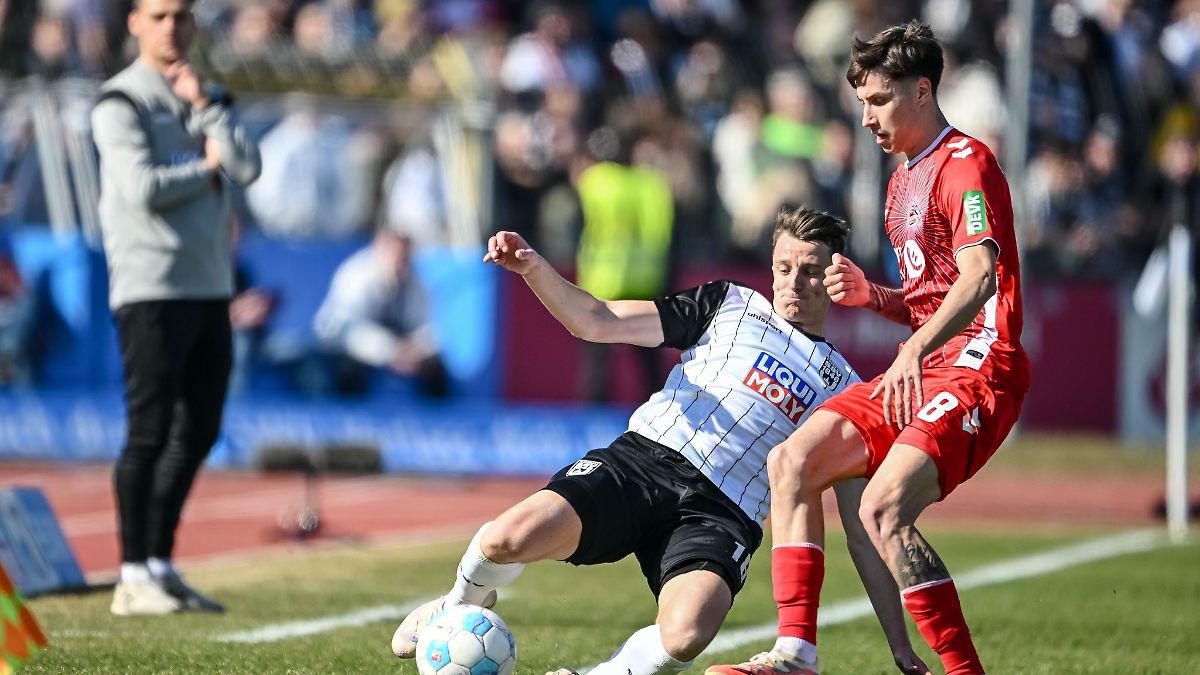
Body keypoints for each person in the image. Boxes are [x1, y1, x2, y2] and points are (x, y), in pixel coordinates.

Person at [390, 207, 931, 675]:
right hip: (642, 463)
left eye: (811, 271)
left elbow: (863, 529)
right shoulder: (729, 305)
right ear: (771, 266)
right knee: (505, 540)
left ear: (835, 277)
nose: (794, 283)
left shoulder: (845, 388)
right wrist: (533, 266)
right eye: (785, 268)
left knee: (687, 633)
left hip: (723, 514)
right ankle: (455, 605)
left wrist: (899, 643)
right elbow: (597, 320)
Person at [708, 21, 1029, 675]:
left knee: (882, 508)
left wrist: (911, 349)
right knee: (792, 461)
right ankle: (795, 655)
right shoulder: (900, 181)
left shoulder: (966, 163)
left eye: (878, 100)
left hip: (980, 364)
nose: (866, 119)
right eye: (861, 103)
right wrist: (874, 297)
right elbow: (929, 300)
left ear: (922, 91)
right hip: (929, 363)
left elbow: (978, 279)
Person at [91, 0, 261, 616]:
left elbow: (248, 168)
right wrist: (207, 166)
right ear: (134, 22)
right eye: (159, 15)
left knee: (201, 429)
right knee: (149, 430)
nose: (172, 27)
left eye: (182, 15)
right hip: (152, 285)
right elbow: (142, 190)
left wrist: (206, 107)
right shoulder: (120, 101)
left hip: (210, 285)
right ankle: (131, 573)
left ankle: (160, 565)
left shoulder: (206, 94)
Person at [312, 228, 447, 397]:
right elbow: (348, 332)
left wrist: (418, 350)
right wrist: (391, 351)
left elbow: (428, 327)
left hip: (398, 348)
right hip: (343, 348)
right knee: (347, 371)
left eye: (404, 257)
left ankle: (435, 413)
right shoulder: (357, 274)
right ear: (380, 250)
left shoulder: (415, 278)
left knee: (436, 369)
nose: (400, 263)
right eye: (395, 255)